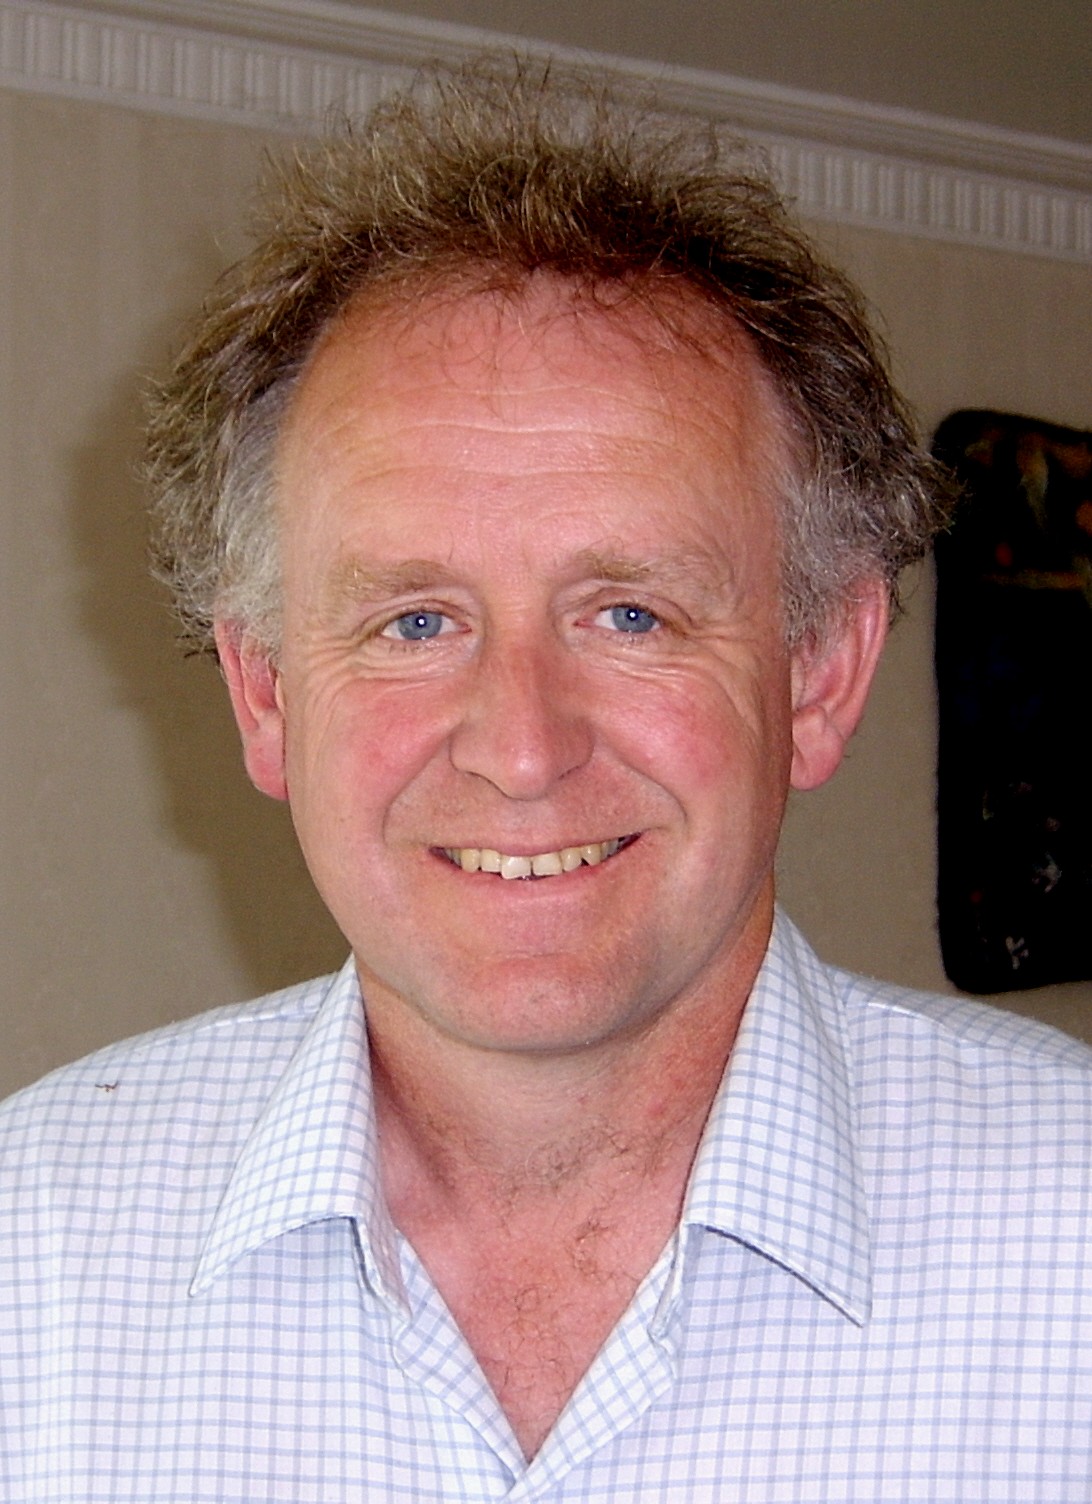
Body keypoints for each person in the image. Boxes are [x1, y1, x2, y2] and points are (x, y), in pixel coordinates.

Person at [2, 57, 1090, 1504]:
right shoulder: (31, 1258)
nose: (521, 749)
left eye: (630, 614)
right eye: (414, 622)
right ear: (264, 694)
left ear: (821, 672)